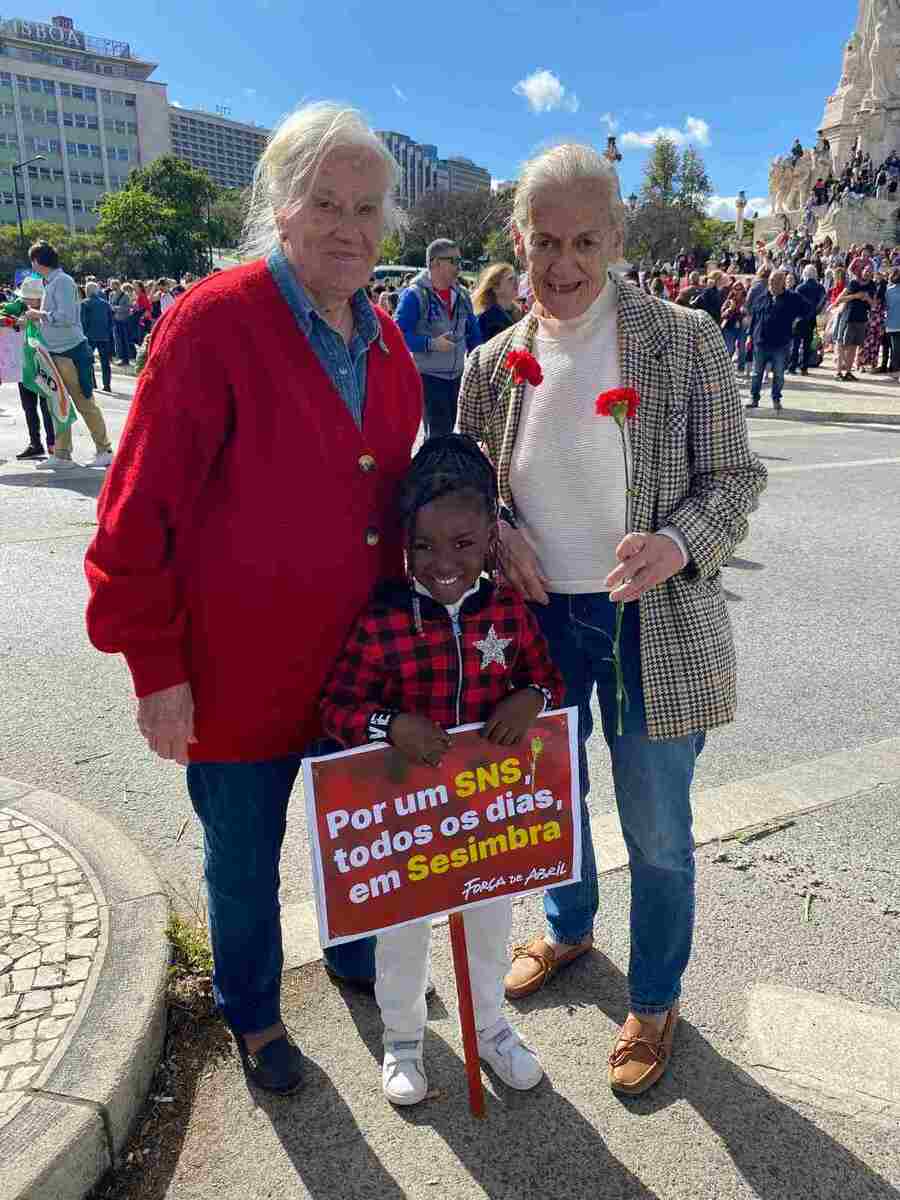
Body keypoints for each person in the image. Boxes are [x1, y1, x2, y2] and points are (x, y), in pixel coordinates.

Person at [84, 102, 423, 1096]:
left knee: (357, 827)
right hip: (234, 679)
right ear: (281, 208)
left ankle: (358, 959)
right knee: (244, 863)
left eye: (366, 207)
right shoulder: (216, 321)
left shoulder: (390, 341)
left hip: (353, 672)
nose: (349, 227)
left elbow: (388, 501)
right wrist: (157, 672)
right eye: (325, 202)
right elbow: (132, 519)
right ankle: (255, 1010)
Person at [459, 142, 767, 1095]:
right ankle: (569, 926)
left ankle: (656, 994)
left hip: (653, 617)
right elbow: (470, 491)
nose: (563, 264)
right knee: (554, 800)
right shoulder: (490, 362)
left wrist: (676, 542)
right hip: (537, 620)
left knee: (658, 826)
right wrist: (497, 532)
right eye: (545, 241)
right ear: (516, 242)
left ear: (618, 237)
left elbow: (734, 480)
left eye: (585, 240)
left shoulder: (685, 339)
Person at [320, 434, 564, 1105]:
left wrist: (530, 697)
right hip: (408, 823)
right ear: (404, 542)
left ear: (492, 535)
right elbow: (338, 705)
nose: (442, 563)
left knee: (489, 923)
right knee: (400, 932)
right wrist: (390, 726)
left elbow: (548, 680)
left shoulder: (509, 612)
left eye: (462, 544)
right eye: (423, 547)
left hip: (487, 821)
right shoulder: (383, 620)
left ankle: (489, 1026)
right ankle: (403, 1038)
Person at [24, 240, 113, 468]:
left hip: (70, 352)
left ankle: (104, 449)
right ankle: (62, 453)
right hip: (56, 352)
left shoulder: (61, 282)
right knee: (58, 404)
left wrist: (39, 315)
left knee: (84, 402)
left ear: (36, 261)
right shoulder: (53, 281)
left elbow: (65, 317)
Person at [395, 239, 482, 437]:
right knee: (437, 439)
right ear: (434, 263)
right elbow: (398, 335)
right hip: (429, 380)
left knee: (456, 437)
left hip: (459, 378)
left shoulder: (462, 295)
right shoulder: (414, 295)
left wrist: (480, 362)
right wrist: (431, 344)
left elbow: (474, 334)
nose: (459, 267)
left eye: (460, 261)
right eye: (453, 261)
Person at [2, 276, 55, 460]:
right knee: (29, 406)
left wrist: (33, 321)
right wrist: (15, 322)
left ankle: (52, 444)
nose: (24, 300)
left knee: (46, 405)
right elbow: (3, 314)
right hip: (24, 365)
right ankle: (35, 443)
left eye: (28, 298)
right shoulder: (19, 308)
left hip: (43, 365)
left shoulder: (48, 311)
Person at [746, 269, 813, 411]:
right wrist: (749, 336)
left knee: (779, 374)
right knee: (757, 373)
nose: (772, 285)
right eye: (770, 282)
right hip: (761, 341)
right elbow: (755, 319)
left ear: (782, 283)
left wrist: (798, 321)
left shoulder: (793, 298)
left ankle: (776, 398)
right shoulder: (762, 297)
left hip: (780, 343)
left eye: (775, 282)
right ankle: (754, 397)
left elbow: (809, 310)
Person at [833, 265, 876, 381]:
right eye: (866, 271)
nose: (868, 273)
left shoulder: (872, 285)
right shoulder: (853, 283)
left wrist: (867, 298)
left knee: (853, 347)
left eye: (870, 272)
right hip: (848, 318)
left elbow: (874, 305)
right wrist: (856, 296)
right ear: (862, 271)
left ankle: (848, 372)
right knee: (843, 346)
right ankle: (838, 372)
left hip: (862, 320)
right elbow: (839, 300)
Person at [790, 265, 826, 375]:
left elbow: (795, 304)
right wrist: (817, 314)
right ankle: (804, 368)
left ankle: (792, 366)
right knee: (807, 344)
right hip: (813, 318)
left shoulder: (800, 288)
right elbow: (823, 303)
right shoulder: (820, 288)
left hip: (800, 318)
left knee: (795, 344)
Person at [472, 263, 519, 342]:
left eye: (516, 279)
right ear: (496, 288)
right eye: (510, 279)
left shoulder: (518, 312)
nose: (516, 283)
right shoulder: (486, 318)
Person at [81, 281, 114, 393]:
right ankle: (107, 384)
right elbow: (111, 321)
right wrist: (108, 333)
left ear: (87, 291)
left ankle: (92, 383)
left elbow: (83, 322)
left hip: (90, 335)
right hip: (104, 335)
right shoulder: (105, 304)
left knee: (88, 361)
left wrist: (83, 334)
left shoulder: (85, 303)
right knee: (105, 362)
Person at [720, 280, 749, 373]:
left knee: (742, 348)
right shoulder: (729, 301)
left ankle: (741, 368)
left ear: (742, 290)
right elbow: (722, 314)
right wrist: (730, 309)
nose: (737, 291)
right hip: (730, 326)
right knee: (729, 348)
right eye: (735, 289)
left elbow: (751, 313)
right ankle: (727, 368)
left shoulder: (746, 300)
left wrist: (746, 314)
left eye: (740, 289)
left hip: (742, 327)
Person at [108, 278, 133, 364]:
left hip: (123, 320)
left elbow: (128, 307)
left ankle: (126, 359)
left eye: (113, 285)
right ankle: (120, 357)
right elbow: (109, 305)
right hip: (115, 319)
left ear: (117, 285)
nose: (111, 287)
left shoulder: (125, 296)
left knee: (124, 339)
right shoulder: (111, 295)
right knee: (117, 340)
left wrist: (115, 308)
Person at [883, 267, 900, 375]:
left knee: (895, 349)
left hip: (892, 323)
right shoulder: (888, 290)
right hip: (892, 324)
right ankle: (895, 370)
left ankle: (894, 369)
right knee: (895, 349)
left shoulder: (888, 290)